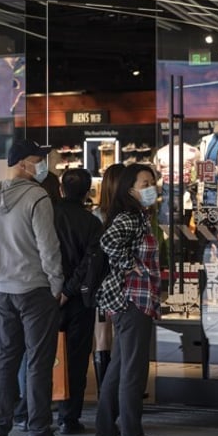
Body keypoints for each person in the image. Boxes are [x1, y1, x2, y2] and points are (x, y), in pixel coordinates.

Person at [0, 138, 68, 436]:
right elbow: (49, 247)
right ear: (22, 163)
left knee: (6, 359)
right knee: (39, 361)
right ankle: (39, 433)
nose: (44, 165)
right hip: (36, 289)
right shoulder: (37, 196)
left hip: (5, 290)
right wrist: (56, 285)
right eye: (37, 159)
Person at [94, 163, 165, 436]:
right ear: (130, 188)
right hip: (133, 299)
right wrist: (129, 263)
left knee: (119, 366)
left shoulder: (138, 216)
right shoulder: (131, 216)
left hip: (129, 301)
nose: (151, 188)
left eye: (152, 182)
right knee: (133, 371)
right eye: (145, 182)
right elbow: (108, 241)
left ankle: (106, 433)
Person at [53, 168, 104, 434]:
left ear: (61, 189)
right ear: (87, 192)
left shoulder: (47, 215)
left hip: (47, 297)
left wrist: (57, 289)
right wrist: (69, 290)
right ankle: (68, 417)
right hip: (78, 299)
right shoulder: (92, 223)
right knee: (76, 358)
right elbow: (89, 264)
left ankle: (34, 413)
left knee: (41, 356)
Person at [91, 163, 123, 389]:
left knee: (102, 335)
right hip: (123, 282)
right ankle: (121, 386)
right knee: (123, 335)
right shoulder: (130, 216)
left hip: (101, 283)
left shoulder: (96, 216)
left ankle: (105, 389)